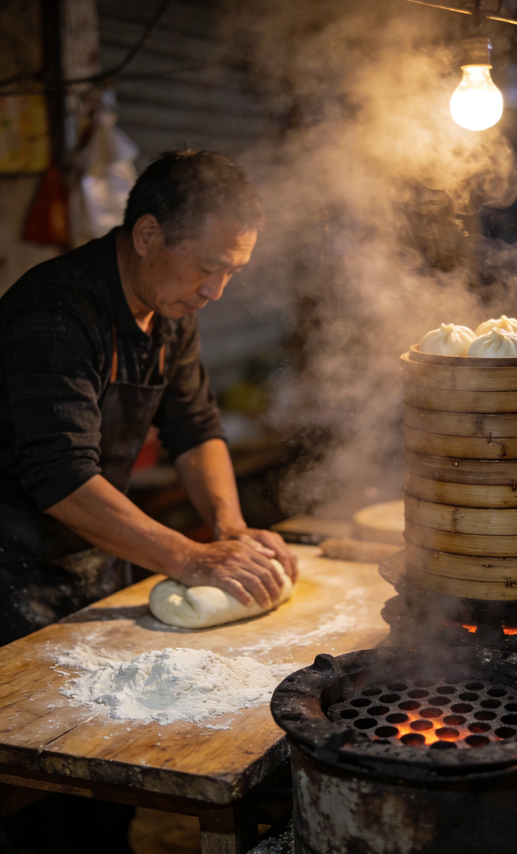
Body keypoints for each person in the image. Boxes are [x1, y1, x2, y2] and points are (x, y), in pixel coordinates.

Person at [0, 149, 298, 647]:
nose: (215, 292)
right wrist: (188, 557)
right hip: (11, 568)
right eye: (208, 267)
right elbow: (60, 475)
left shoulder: (170, 309)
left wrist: (230, 529)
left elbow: (195, 426)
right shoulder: (55, 316)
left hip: (98, 551)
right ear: (146, 236)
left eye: (233, 273)